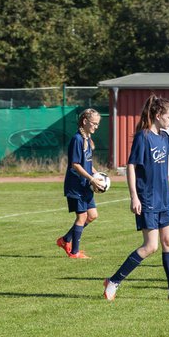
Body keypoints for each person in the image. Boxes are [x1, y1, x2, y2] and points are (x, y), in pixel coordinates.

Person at [103, 95, 169, 301]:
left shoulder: (164, 137)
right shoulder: (143, 137)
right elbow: (131, 166)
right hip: (148, 200)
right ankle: (113, 281)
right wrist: (134, 197)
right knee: (150, 246)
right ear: (158, 115)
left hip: (164, 200)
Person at [58, 108, 106, 259]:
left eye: (98, 124)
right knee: (82, 217)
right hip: (75, 184)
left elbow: (87, 163)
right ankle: (74, 252)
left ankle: (65, 239)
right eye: (94, 123)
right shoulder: (77, 139)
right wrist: (92, 179)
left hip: (85, 184)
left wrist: (97, 174)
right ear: (85, 121)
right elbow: (76, 164)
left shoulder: (87, 139)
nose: (96, 127)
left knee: (92, 215)